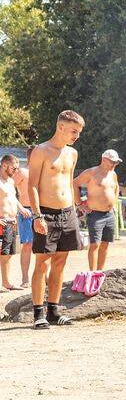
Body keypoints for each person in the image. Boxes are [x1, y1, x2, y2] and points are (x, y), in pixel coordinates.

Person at [27, 110, 86, 327]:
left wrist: (76, 208)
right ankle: (38, 314)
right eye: (73, 131)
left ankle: (53, 310)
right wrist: (37, 216)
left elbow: (69, 182)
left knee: (60, 262)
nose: (76, 135)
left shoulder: (72, 153)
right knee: (42, 262)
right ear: (60, 127)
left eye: (79, 132)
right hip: (46, 212)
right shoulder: (41, 151)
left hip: (67, 212)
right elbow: (32, 184)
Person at [73, 149, 122, 271]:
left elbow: (116, 187)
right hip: (95, 214)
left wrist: (114, 202)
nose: (114, 165)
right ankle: (92, 273)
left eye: (116, 163)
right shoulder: (91, 172)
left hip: (109, 214)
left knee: (105, 244)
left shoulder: (113, 174)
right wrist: (79, 204)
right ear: (104, 159)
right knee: (95, 244)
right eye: (112, 162)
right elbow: (74, 183)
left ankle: (100, 272)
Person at [12, 152, 34, 288]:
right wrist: (19, 207)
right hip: (26, 210)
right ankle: (25, 278)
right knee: (27, 244)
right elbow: (7, 190)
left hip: (42, 210)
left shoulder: (43, 171)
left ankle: (45, 276)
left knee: (44, 246)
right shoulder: (22, 172)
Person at [0, 154, 22, 290]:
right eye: (14, 168)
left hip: (12, 221)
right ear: (4, 165)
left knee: (8, 254)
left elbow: (13, 199)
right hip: (2, 221)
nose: (16, 171)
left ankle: (6, 282)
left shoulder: (10, 181)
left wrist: (21, 209)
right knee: (2, 253)